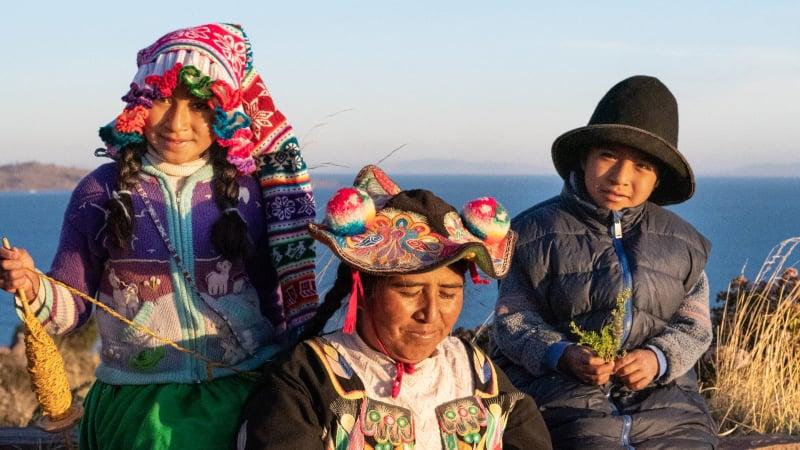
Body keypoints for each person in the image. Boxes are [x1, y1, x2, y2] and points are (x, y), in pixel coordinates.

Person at [0, 23, 318, 449]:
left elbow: (273, 300)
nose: (177, 122)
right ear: (138, 103)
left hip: (243, 393)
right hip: (139, 409)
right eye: (163, 98)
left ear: (224, 113)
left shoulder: (249, 193)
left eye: (200, 104)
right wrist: (31, 283)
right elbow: (70, 307)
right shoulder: (101, 193)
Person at [238, 165, 552, 449]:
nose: (430, 314)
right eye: (409, 291)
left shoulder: (475, 370)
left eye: (447, 294)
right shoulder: (303, 379)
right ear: (364, 291)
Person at [492, 75, 718, 448]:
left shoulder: (683, 244)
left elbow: (694, 328)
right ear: (585, 157)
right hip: (560, 402)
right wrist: (561, 355)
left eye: (642, 166)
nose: (621, 177)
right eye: (608, 156)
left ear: (658, 176)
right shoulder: (531, 233)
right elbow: (513, 322)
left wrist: (657, 359)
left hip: (668, 407)